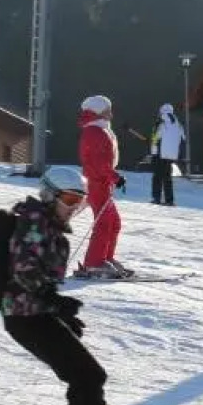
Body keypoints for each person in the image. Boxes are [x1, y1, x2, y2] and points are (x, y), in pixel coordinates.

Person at [1, 165, 136, 405]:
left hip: (35, 314)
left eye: (80, 202)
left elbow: (39, 279)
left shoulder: (47, 225)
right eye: (70, 200)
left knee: (87, 375)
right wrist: (54, 303)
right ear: (50, 195)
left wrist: (58, 312)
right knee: (87, 376)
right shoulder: (34, 223)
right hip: (25, 317)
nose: (75, 208)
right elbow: (25, 271)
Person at [76, 93, 131, 278]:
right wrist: (115, 176)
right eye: (108, 111)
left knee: (113, 223)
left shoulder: (100, 129)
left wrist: (112, 178)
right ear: (98, 112)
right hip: (96, 183)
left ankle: (105, 258)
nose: (111, 115)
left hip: (103, 182)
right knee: (104, 223)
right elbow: (98, 164)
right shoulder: (94, 132)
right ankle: (93, 263)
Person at [149, 103, 183, 207]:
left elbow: (155, 138)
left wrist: (153, 152)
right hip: (171, 155)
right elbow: (183, 138)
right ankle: (169, 200)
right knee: (167, 177)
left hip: (160, 154)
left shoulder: (161, 123)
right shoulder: (178, 124)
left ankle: (157, 198)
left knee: (157, 177)